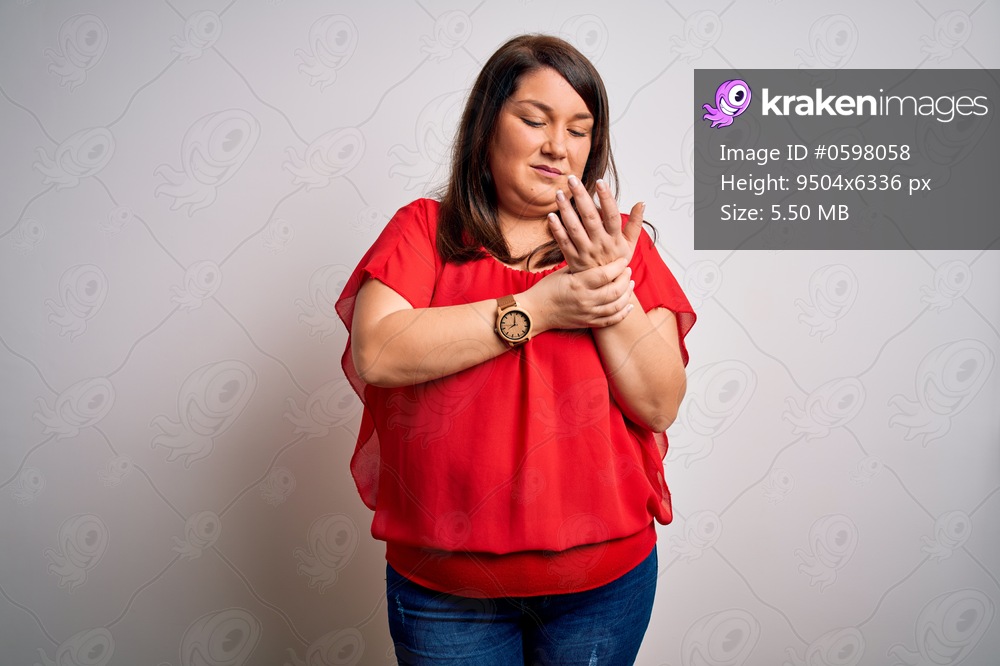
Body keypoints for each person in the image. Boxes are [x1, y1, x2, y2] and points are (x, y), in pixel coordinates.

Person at [337, 34, 695, 665]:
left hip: (603, 587)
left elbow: (659, 404)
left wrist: (611, 287)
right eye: (535, 120)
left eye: (581, 131)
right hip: (446, 591)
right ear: (486, 127)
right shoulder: (426, 229)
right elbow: (379, 350)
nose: (559, 145)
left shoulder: (625, 250)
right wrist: (544, 306)